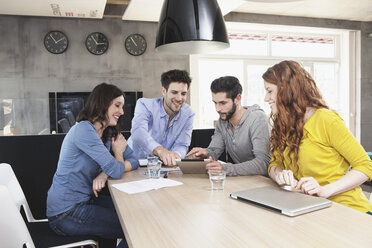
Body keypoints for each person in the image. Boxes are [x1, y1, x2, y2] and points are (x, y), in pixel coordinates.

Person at [262, 60, 372, 213]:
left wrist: (325, 190)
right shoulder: (284, 124)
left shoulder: (326, 120)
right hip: (309, 206)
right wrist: (280, 175)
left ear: (287, 90)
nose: (266, 98)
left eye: (269, 91)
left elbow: (366, 166)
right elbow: (274, 163)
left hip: (348, 210)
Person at [47, 83, 139, 248]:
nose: (122, 112)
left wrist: (105, 173)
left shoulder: (108, 132)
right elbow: (117, 171)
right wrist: (117, 154)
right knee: (134, 227)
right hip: (66, 212)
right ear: (102, 104)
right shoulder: (84, 130)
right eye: (117, 106)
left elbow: (134, 160)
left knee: (135, 214)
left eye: (122, 106)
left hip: (85, 201)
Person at [186, 76, 270, 176]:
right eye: (215, 103)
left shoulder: (257, 119)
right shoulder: (222, 121)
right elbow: (214, 151)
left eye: (223, 103)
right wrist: (204, 153)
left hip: (263, 181)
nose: (217, 109)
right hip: (243, 180)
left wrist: (226, 168)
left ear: (237, 99)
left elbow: (263, 164)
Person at [127, 69, 195, 166]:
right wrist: (160, 151)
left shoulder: (188, 113)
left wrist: (176, 155)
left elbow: (182, 144)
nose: (179, 98)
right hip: (134, 162)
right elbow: (138, 132)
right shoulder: (144, 104)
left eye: (183, 94)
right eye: (174, 92)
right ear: (164, 91)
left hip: (163, 166)